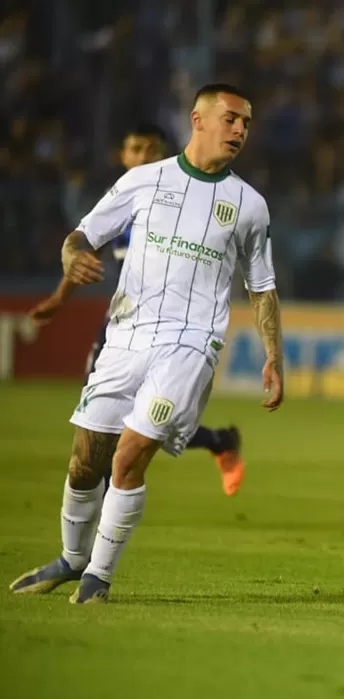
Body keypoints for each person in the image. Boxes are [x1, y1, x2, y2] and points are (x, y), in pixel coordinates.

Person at [9, 84, 283, 603]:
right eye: (231, 119)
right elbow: (81, 236)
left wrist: (274, 355)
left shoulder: (249, 205)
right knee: (84, 462)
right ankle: (72, 558)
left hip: (190, 346)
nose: (240, 131)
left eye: (246, 123)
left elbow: (262, 286)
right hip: (126, 335)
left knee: (129, 456)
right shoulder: (142, 181)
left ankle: (99, 579)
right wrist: (70, 259)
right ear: (197, 120)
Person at [26, 123, 247, 497]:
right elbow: (88, 247)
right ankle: (216, 441)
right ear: (122, 156)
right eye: (136, 149)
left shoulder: (187, 203)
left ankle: (111, 494)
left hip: (180, 328)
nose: (144, 157)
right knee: (103, 409)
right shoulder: (128, 197)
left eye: (152, 149)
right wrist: (60, 298)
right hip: (128, 322)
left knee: (141, 417)